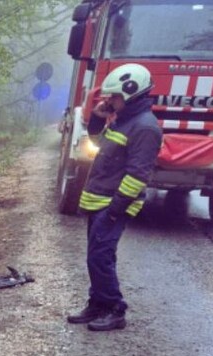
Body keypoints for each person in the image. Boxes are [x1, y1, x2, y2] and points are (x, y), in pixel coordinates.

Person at [67, 63, 162, 331]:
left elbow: (137, 175)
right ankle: (97, 304)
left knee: (100, 256)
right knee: (97, 256)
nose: (109, 100)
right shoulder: (124, 120)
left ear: (132, 94)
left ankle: (114, 309)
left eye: (114, 97)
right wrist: (98, 118)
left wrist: (115, 209)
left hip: (112, 204)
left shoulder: (145, 128)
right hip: (100, 199)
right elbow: (100, 144)